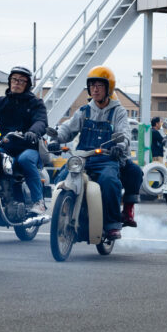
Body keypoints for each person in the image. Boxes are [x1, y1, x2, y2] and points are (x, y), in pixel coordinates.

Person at [48, 66, 129, 239]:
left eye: (100, 85)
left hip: (106, 158)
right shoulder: (83, 111)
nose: (95, 89)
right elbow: (67, 129)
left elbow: (125, 134)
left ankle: (112, 224)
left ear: (109, 88)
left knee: (109, 181)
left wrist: (120, 146)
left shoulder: (118, 111)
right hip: (82, 158)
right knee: (60, 179)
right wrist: (56, 140)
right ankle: (62, 216)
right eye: (92, 85)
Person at [0, 65, 48, 213]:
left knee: (25, 160)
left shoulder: (35, 103)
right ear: (9, 81)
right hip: (6, 147)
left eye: (21, 81)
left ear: (27, 85)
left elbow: (41, 121)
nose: (17, 83)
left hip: (28, 147)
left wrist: (33, 131)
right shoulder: (1, 102)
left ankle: (38, 201)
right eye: (14, 79)